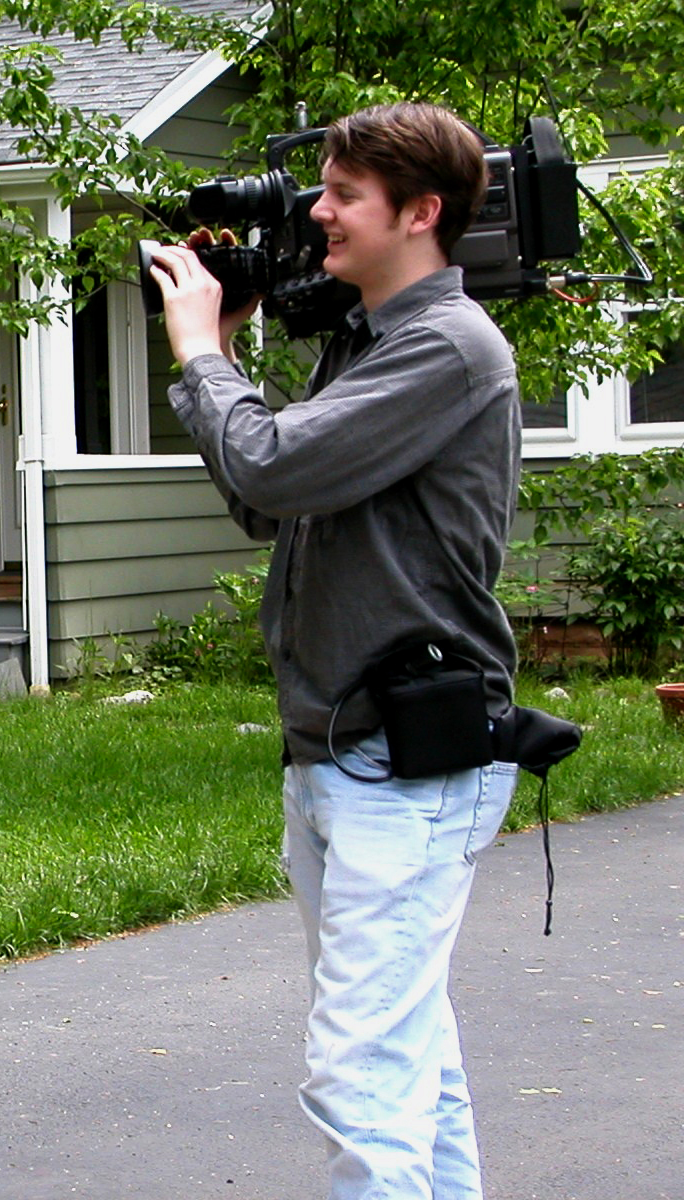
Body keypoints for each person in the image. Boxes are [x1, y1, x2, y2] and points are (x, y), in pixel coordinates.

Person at [145, 103, 522, 1199]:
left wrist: (200, 352)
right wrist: (223, 357)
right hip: (340, 750)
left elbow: (267, 466)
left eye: (344, 195)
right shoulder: (369, 342)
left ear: (420, 212)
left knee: (362, 1076)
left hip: (402, 759)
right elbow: (269, 500)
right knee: (408, 1059)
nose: (317, 213)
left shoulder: (448, 348)